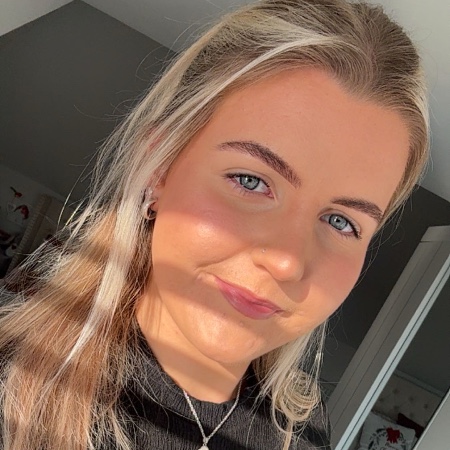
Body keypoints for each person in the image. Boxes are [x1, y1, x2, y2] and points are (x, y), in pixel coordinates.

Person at [0, 0, 429, 449]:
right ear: (158, 167)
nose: (287, 262)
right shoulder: (15, 378)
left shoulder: (303, 430)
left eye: (341, 221)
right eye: (250, 180)